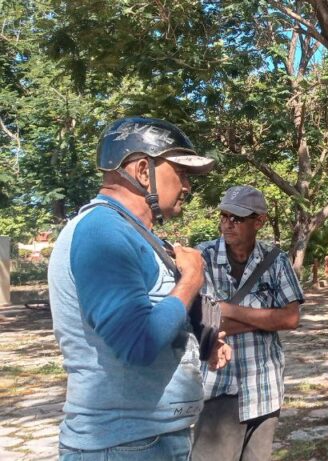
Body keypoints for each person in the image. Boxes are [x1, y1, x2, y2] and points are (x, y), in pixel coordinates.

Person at [49, 116, 230, 460]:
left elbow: (150, 319)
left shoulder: (132, 233)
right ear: (143, 170)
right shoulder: (102, 231)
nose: (188, 186)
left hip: (148, 440)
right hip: (123, 446)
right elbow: (138, 342)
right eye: (182, 173)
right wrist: (191, 278)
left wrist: (200, 341)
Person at [191, 185, 304, 461]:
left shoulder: (275, 261)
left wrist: (228, 309)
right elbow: (200, 320)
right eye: (224, 216)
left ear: (259, 221)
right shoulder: (201, 258)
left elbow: (290, 318)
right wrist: (267, 319)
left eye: (237, 219)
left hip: (264, 388)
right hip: (218, 387)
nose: (228, 225)